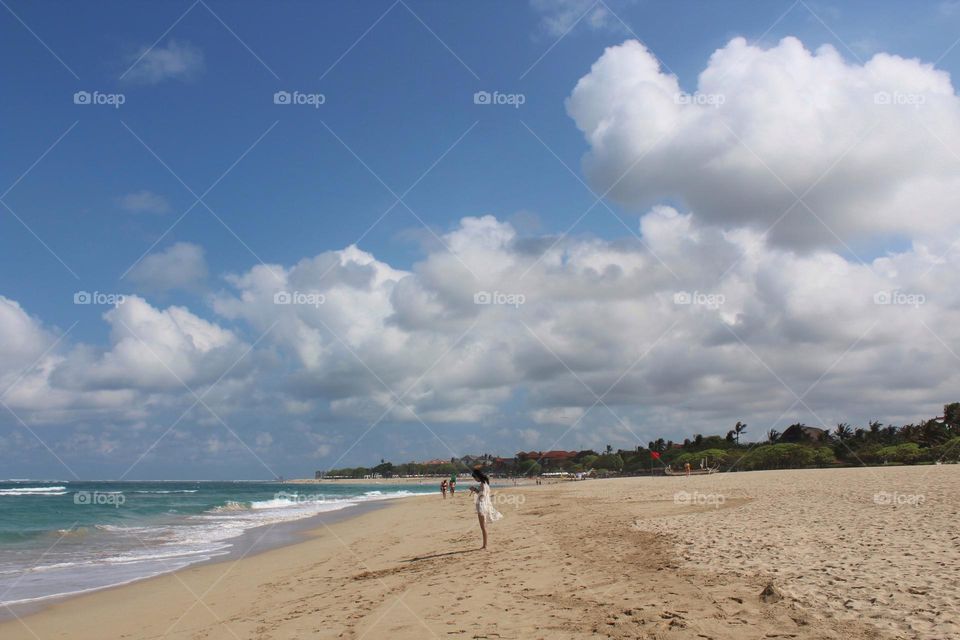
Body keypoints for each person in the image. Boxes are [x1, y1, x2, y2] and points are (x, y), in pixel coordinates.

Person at [469, 468, 502, 550]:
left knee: (483, 527)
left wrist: (474, 489)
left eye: (475, 478)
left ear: (478, 477)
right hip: (483, 506)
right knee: (484, 526)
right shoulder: (485, 484)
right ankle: (485, 545)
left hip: (481, 507)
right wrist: (476, 490)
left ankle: (485, 545)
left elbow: (482, 496)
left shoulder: (483, 484)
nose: (475, 479)